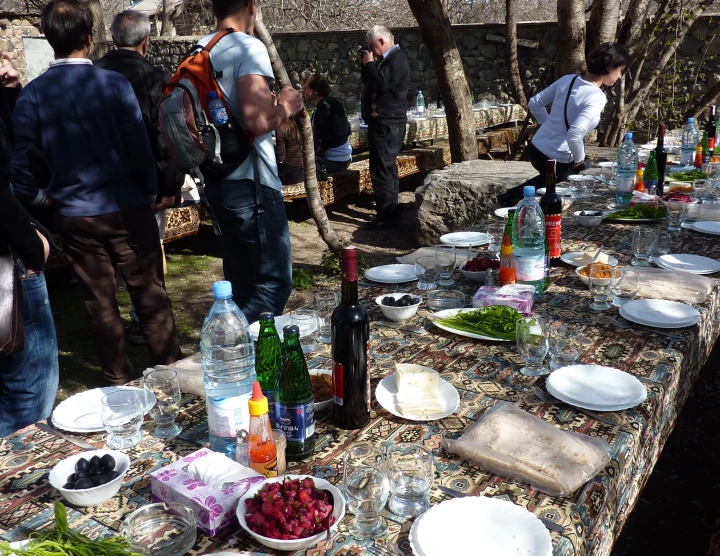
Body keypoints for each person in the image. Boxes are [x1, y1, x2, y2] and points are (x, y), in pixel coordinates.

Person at [11, 0, 182, 386]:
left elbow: (19, 168)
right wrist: (150, 190)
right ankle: (172, 377)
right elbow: (140, 146)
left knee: (99, 302)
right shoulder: (113, 84)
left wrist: (41, 199)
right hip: (127, 208)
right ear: (90, 39)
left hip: (75, 214)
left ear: (49, 39)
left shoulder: (34, 94)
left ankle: (118, 380)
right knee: (150, 296)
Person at [197, 0, 302, 323]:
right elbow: (258, 122)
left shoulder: (197, 49)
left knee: (241, 287)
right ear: (252, 5)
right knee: (273, 286)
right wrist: (285, 106)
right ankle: (229, 349)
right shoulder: (247, 46)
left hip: (217, 182)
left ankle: (240, 368)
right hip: (252, 186)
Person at [95, 9, 186, 344]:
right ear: (147, 41)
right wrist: (169, 186)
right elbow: (167, 137)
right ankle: (141, 322)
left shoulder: (94, 74)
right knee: (146, 257)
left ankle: (112, 328)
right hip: (143, 187)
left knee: (106, 263)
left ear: (114, 37)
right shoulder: (155, 78)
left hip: (98, 188)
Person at [0, 52, 59, 436]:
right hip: (8, 260)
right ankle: (17, 484)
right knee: (29, 392)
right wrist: (31, 242)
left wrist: (11, 91)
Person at [498, 42, 632, 207]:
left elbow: (534, 103)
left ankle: (511, 198)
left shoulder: (567, 80)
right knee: (581, 172)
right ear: (609, 67)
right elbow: (574, 134)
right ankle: (512, 199)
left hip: (536, 149)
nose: (620, 76)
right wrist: (580, 158)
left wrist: (549, 125)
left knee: (555, 181)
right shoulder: (597, 96)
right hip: (557, 157)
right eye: (620, 70)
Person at [359, 25, 410, 230]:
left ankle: (385, 215)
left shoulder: (396, 59)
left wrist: (370, 63)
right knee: (387, 167)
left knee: (381, 169)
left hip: (387, 123)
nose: (371, 51)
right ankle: (391, 212)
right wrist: (365, 64)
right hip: (385, 122)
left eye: (372, 46)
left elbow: (380, 85)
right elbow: (370, 82)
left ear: (381, 41)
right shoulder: (388, 60)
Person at [302, 73, 352, 173]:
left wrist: (315, 155)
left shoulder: (324, 108)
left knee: (297, 167)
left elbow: (328, 140)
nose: (303, 91)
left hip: (335, 161)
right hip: (343, 158)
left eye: (305, 89)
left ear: (316, 91)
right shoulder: (332, 103)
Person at [275, 119, 305, 185]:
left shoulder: (282, 128)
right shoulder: (305, 125)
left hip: (289, 175)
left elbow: (280, 160)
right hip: (306, 171)